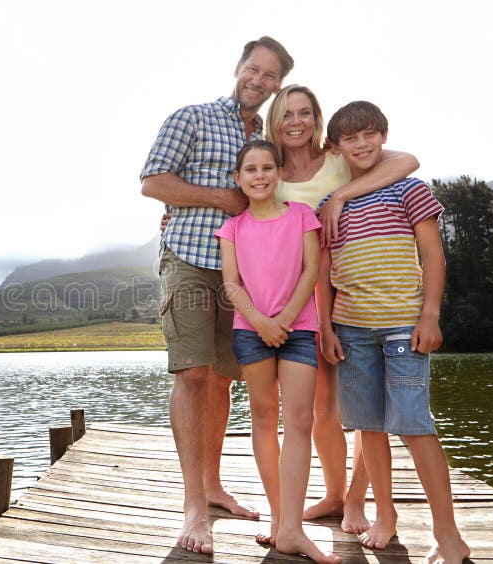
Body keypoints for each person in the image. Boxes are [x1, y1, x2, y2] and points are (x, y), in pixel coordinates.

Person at [139, 36, 293, 554]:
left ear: (277, 86)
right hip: (187, 258)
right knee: (193, 373)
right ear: (238, 68)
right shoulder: (193, 116)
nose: (259, 80)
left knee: (224, 379)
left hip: (244, 272)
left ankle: (212, 484)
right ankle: (193, 507)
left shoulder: (271, 135)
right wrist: (218, 199)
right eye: (254, 69)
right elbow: (153, 181)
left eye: (270, 76)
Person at [318, 101, 471, 563]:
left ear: (384, 135)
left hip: (404, 324)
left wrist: (430, 313)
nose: (361, 144)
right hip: (352, 330)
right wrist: (325, 328)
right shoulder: (329, 206)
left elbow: (433, 255)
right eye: (350, 138)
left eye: (369, 134)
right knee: (368, 427)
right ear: (336, 147)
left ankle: (448, 535)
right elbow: (325, 272)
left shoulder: (409, 190)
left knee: (415, 426)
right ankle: (385, 516)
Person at [264, 84, 420, 532]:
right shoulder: (272, 172)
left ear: (317, 120)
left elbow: (407, 162)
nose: (296, 121)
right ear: (276, 121)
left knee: (358, 405)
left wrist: (342, 195)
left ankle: (354, 500)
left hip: (350, 294)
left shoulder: (338, 160)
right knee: (320, 410)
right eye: (287, 114)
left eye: (306, 112)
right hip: (296, 298)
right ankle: (334, 495)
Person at [216, 140, 341, 564]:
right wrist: (261, 322)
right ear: (238, 178)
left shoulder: (302, 216)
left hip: (300, 329)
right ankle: (278, 520)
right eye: (250, 169)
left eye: (267, 167)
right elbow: (232, 284)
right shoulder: (233, 227)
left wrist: (284, 319)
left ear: (279, 173)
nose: (259, 175)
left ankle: (292, 528)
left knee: (300, 419)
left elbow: (311, 270)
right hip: (250, 331)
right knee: (264, 416)